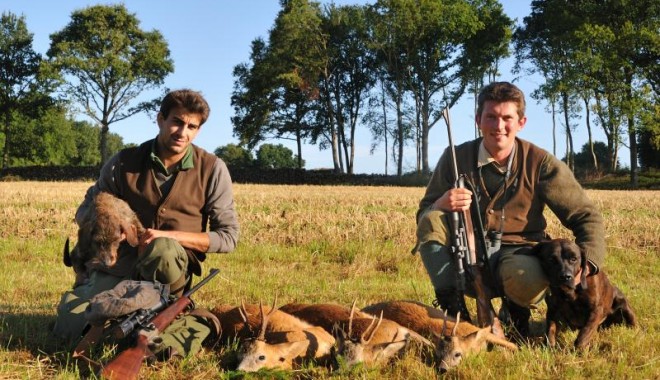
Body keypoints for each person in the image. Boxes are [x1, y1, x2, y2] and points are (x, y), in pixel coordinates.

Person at [53, 89, 240, 354]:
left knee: (162, 250)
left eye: (191, 126)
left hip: (168, 273)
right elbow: (83, 212)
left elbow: (228, 238)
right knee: (70, 326)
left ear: (198, 130)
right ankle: (128, 320)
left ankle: (184, 316)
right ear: (160, 119)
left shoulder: (212, 168)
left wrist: (172, 237)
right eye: (176, 121)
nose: (182, 132)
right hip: (122, 266)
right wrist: (109, 218)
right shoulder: (123, 163)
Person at [414, 81, 605, 336]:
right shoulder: (454, 158)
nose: (498, 126)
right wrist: (441, 204)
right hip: (466, 259)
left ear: (521, 122)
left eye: (507, 118)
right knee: (431, 219)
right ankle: (454, 309)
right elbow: (424, 213)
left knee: (528, 279)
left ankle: (516, 312)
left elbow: (586, 216)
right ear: (478, 119)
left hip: (520, 254)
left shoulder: (541, 162)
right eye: (490, 117)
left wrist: (587, 266)